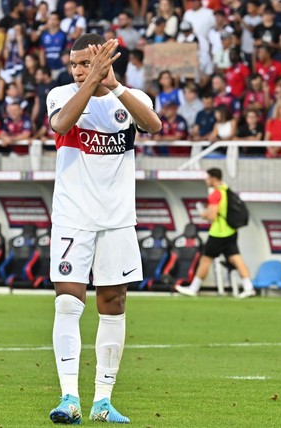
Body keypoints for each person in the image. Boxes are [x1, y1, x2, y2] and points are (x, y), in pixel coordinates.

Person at [45, 34, 161, 425]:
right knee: (67, 302)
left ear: (108, 60)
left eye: (87, 63)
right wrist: (91, 82)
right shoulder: (61, 95)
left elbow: (154, 125)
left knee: (113, 305)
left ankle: (103, 401)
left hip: (117, 220)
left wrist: (113, 86)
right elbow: (62, 124)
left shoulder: (132, 98)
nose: (79, 70)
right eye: (75, 64)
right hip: (73, 217)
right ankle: (68, 398)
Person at [175, 168, 255, 299]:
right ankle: (248, 287)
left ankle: (193, 288)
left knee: (205, 260)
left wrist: (202, 213)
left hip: (218, 234)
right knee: (236, 259)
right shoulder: (225, 189)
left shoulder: (215, 194)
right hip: (231, 231)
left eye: (207, 178)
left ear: (213, 178)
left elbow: (212, 216)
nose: (206, 180)